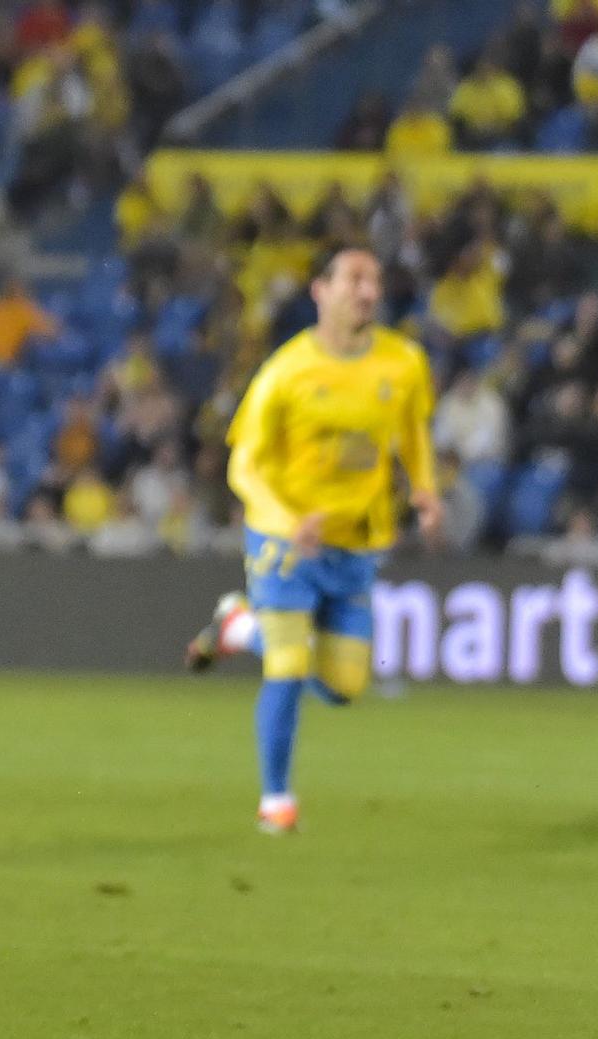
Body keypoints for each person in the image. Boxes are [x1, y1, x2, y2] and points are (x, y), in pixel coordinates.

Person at [184, 248, 439, 834]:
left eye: (375, 279)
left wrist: (425, 491)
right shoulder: (285, 372)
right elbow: (242, 468)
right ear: (319, 291)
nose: (367, 290)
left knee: (345, 685)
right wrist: (283, 515)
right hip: (283, 539)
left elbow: (412, 432)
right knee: (289, 663)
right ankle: (276, 800)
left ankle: (238, 628)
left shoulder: (404, 363)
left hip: (355, 539)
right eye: (353, 279)